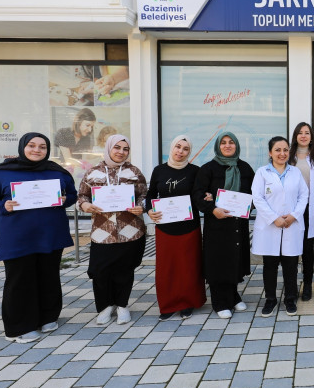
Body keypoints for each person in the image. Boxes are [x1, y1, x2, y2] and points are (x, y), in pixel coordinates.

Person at [0, 132, 77, 343]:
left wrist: (65, 199)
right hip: (18, 236)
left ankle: (48, 317)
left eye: (42, 147)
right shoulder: (1, 173)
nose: (37, 150)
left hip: (50, 234)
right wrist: (2, 206)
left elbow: (72, 196)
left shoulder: (57, 172)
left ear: (48, 150)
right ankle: (18, 327)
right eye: (32, 146)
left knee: (48, 276)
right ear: (23, 147)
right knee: (20, 280)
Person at [77, 134, 148, 325]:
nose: (121, 152)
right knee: (100, 272)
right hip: (102, 233)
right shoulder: (93, 172)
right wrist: (84, 206)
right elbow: (81, 196)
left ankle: (123, 305)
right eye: (117, 147)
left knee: (125, 271)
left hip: (130, 231)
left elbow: (144, 195)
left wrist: (142, 206)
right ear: (108, 148)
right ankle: (105, 306)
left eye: (125, 149)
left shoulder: (134, 172)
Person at [146, 135, 207, 321]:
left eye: (185, 149)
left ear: (190, 152)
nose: (181, 151)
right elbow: (150, 195)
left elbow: (199, 197)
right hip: (165, 227)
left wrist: (207, 198)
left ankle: (188, 302)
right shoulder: (159, 171)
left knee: (188, 267)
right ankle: (168, 304)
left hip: (189, 227)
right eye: (178, 147)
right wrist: (149, 211)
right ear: (172, 148)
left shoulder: (195, 171)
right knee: (167, 268)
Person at [195, 133, 255, 319]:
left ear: (236, 145)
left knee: (234, 260)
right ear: (217, 146)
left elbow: (254, 193)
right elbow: (197, 195)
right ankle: (220, 302)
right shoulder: (208, 169)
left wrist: (248, 206)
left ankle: (233, 296)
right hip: (217, 223)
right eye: (223, 143)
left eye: (231, 143)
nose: (228, 146)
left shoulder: (245, 168)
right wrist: (212, 209)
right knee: (218, 261)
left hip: (238, 223)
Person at [252, 137, 309, 317]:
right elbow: (257, 198)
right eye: (277, 150)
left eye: (285, 150)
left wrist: (293, 216)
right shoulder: (262, 172)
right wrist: (274, 218)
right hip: (270, 226)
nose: (282, 153)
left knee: (290, 265)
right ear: (270, 153)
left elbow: (303, 196)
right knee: (269, 266)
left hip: (291, 225)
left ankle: (290, 299)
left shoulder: (295, 172)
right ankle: (270, 299)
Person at [289, 122, 314, 301]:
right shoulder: (288, 157)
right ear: (295, 136)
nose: (303, 136)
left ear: (312, 137)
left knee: (307, 250)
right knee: (291, 249)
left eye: (307, 133)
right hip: (291, 210)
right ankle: (292, 285)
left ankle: (308, 284)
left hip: (310, 209)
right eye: (300, 133)